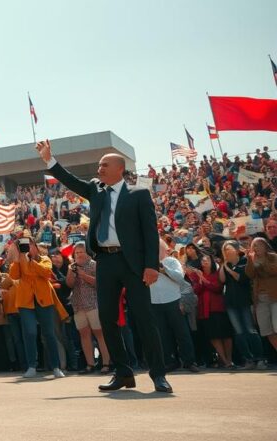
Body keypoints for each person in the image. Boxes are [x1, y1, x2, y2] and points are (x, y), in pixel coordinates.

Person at [36, 140, 171, 393]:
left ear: (120, 169)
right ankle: (123, 373)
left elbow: (150, 232)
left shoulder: (138, 193)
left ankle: (158, 375)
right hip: (105, 262)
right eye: (99, 165)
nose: (99, 169)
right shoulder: (95, 190)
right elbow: (70, 180)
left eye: (104, 165)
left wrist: (151, 265)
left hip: (133, 263)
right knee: (107, 319)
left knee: (144, 319)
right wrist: (49, 160)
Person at [8, 237, 67, 379]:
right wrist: (18, 259)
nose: (27, 248)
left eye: (30, 245)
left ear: (35, 246)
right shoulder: (18, 261)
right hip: (25, 302)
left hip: (44, 300)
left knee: (48, 333)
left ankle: (56, 367)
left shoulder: (45, 258)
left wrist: (29, 261)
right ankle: (31, 366)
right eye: (23, 246)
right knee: (30, 333)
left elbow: (46, 272)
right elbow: (13, 275)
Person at [149, 239, 198, 372]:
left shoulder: (172, 261)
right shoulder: (147, 264)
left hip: (173, 301)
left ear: (165, 250)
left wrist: (163, 269)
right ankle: (171, 361)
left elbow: (179, 277)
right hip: (155, 302)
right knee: (163, 335)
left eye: (157, 248)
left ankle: (189, 361)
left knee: (182, 333)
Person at [65, 243, 111, 373]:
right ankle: (90, 364)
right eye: (76, 253)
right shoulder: (72, 267)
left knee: (99, 334)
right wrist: (71, 271)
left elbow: (100, 283)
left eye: (81, 252)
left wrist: (83, 275)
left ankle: (106, 363)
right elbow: (69, 284)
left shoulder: (94, 265)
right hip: (78, 305)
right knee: (84, 335)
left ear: (88, 253)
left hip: (93, 303)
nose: (79, 254)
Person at [218, 241, 266, 369]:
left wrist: (229, 269)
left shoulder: (244, 261)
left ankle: (260, 358)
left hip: (244, 301)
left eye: (229, 249)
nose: (227, 252)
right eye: (225, 250)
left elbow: (241, 278)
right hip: (231, 303)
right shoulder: (226, 264)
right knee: (239, 332)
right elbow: (222, 280)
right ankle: (248, 359)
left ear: (236, 249)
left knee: (250, 330)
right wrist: (224, 264)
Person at [189, 253, 235, 368]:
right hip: (205, 310)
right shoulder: (197, 275)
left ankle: (229, 359)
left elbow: (217, 288)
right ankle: (225, 361)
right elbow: (196, 290)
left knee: (226, 335)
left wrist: (203, 279)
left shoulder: (217, 274)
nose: (204, 262)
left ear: (212, 262)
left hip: (219, 308)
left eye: (207, 260)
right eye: (203, 260)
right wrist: (200, 278)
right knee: (214, 336)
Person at [245, 236, 277, 356]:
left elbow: (274, 271)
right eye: (254, 246)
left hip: (275, 297)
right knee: (267, 331)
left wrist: (261, 264)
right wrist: (250, 260)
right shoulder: (253, 259)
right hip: (260, 299)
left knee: (276, 327)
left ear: (264, 246)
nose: (256, 248)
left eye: (258, 245)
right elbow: (250, 274)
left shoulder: (273, 257)